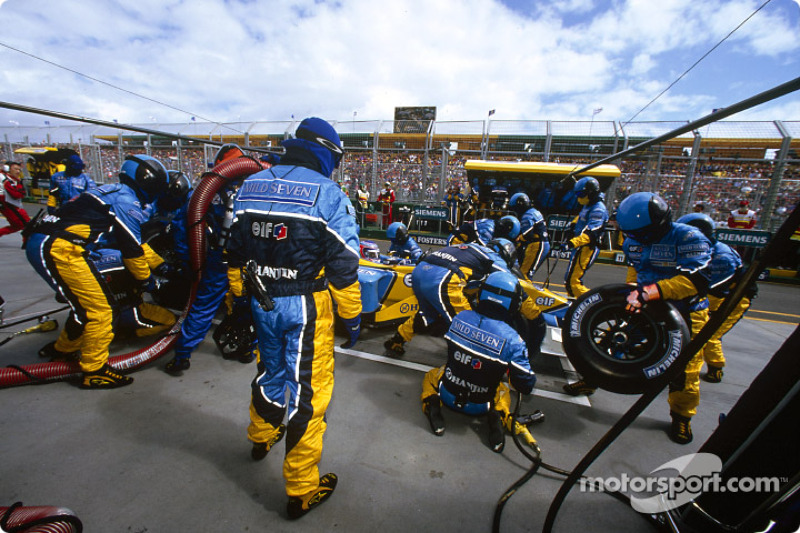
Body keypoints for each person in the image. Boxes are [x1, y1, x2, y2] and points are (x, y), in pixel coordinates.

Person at [225, 117, 361, 519]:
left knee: (269, 372)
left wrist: (237, 298)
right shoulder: (329, 194)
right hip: (305, 306)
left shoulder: (250, 185)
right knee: (309, 394)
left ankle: (261, 435)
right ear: (326, 153)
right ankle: (302, 488)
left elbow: (231, 249)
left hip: (260, 300)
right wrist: (352, 319)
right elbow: (344, 268)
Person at [565, 192, 712, 445]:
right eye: (630, 233)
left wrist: (651, 292)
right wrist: (633, 293)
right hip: (646, 306)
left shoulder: (688, 237)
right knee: (610, 346)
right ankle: (592, 379)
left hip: (687, 311)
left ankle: (682, 417)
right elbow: (637, 271)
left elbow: (697, 280)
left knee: (685, 372)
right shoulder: (631, 241)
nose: (634, 238)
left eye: (640, 233)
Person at [24, 154, 169, 389]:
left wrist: (160, 263)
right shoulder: (127, 201)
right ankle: (94, 370)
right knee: (102, 310)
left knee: (83, 307)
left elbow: (132, 242)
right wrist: (149, 281)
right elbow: (132, 250)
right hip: (61, 247)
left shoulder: (113, 191)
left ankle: (63, 350)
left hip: (44, 241)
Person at [164, 146, 262, 375]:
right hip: (249, 258)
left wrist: (189, 261)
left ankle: (182, 356)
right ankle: (247, 348)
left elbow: (183, 225)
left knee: (204, 307)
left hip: (220, 259)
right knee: (248, 304)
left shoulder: (205, 189)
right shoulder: (256, 188)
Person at [421, 271, 539, 453]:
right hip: (481, 406)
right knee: (503, 389)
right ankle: (498, 417)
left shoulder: (459, 318)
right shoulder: (514, 340)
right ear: (513, 302)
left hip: (448, 395)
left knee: (431, 375)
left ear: (482, 293)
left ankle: (431, 405)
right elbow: (526, 385)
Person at [383, 238, 541, 358]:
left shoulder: (470, 247)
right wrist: (535, 315)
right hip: (443, 279)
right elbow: (513, 285)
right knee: (466, 326)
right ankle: (464, 366)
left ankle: (398, 339)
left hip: (420, 271)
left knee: (427, 315)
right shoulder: (494, 258)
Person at [677, 212, 755, 384]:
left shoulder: (722, 257)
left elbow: (703, 287)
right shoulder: (697, 248)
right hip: (716, 294)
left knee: (710, 334)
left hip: (734, 300)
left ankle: (716, 368)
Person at [563, 177, 608, 298]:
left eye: (581, 194)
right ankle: (573, 304)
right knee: (568, 281)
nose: (578, 197)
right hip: (580, 246)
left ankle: (595, 301)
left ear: (591, 193)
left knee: (573, 283)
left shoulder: (598, 209)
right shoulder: (588, 205)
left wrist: (572, 243)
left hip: (587, 248)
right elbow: (580, 218)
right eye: (576, 194)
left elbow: (591, 234)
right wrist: (571, 226)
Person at [509, 193, 551, 279]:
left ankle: (525, 292)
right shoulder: (534, 211)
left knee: (525, 274)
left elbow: (528, 235)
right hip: (540, 244)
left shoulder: (527, 216)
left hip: (537, 245)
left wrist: (518, 240)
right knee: (523, 272)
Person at [0, 161, 31, 238]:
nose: (18, 171)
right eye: (15, 169)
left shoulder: (14, 180)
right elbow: (17, 194)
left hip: (10, 204)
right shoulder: (6, 180)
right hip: (8, 204)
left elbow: (21, 193)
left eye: (19, 170)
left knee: (21, 225)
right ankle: (27, 241)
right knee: (25, 223)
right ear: (8, 169)